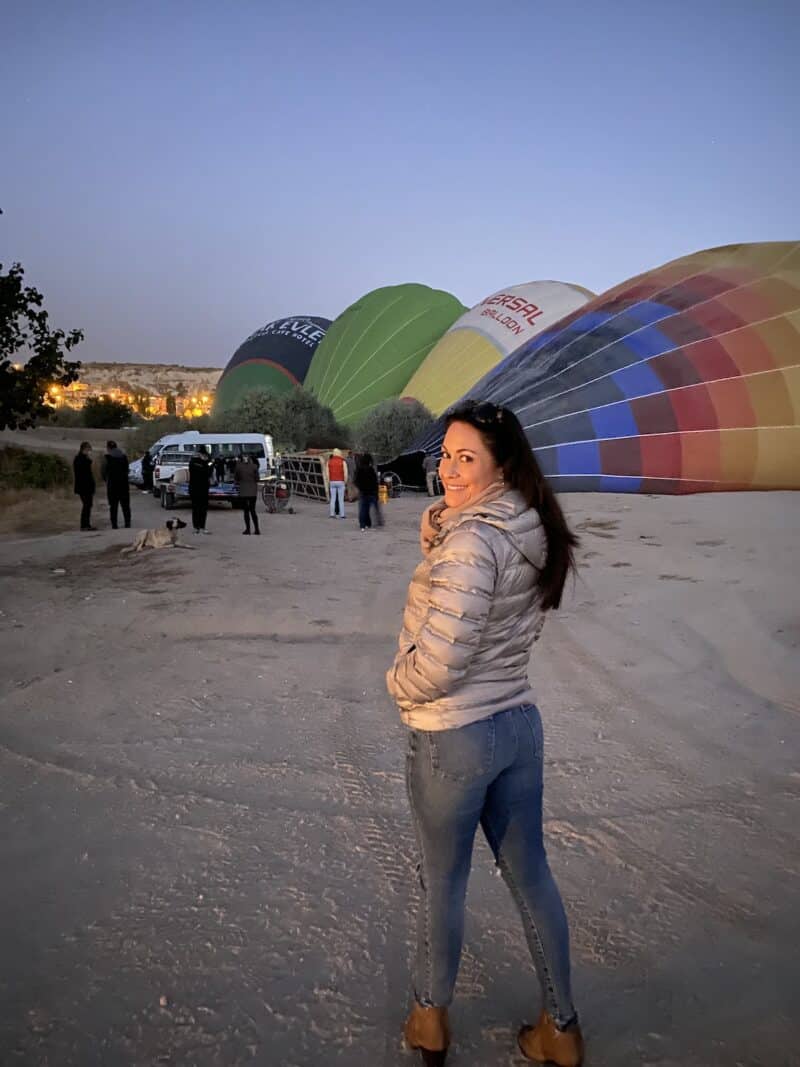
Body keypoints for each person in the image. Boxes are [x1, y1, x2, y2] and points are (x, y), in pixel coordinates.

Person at [386, 400, 583, 1067]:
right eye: (445, 453)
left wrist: (398, 684)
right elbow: (488, 606)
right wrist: (446, 528)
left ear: (502, 464)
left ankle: (429, 1019)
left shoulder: (473, 540)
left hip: (455, 736)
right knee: (532, 877)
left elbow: (442, 659)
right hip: (517, 724)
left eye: (467, 458)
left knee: (441, 882)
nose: (448, 468)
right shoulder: (527, 524)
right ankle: (561, 1026)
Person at [101, 440, 131, 529]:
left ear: (108, 448)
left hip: (112, 486)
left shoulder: (107, 458)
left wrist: (106, 480)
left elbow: (103, 471)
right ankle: (127, 523)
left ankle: (114, 525)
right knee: (125, 506)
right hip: (124, 485)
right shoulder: (124, 457)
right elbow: (127, 469)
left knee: (113, 506)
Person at [353, 453, 383, 531]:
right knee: (374, 507)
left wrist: (360, 488)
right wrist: (376, 492)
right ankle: (372, 523)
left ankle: (363, 525)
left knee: (363, 509)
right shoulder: (371, 470)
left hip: (363, 492)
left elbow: (356, 481)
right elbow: (375, 482)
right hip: (372, 492)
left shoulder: (359, 470)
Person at [188, 445, 214, 534]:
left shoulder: (207, 462)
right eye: (203, 454)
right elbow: (203, 470)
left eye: (205, 455)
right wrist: (206, 463)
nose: (204, 456)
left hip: (204, 488)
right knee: (196, 508)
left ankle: (202, 527)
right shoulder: (194, 462)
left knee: (203, 509)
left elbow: (210, 469)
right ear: (199, 454)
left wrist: (209, 461)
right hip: (195, 488)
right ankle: (196, 527)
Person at [234, 453, 260, 535]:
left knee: (246, 511)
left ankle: (248, 529)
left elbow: (236, 478)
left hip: (243, 491)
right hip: (253, 491)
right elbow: (257, 479)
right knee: (253, 510)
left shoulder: (238, 467)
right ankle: (257, 529)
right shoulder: (254, 466)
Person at [73, 441, 96, 531]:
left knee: (88, 505)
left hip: (86, 486)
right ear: (84, 449)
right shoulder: (80, 459)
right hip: (84, 486)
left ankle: (86, 524)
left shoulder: (82, 458)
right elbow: (84, 474)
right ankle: (84, 525)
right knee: (86, 505)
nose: (89, 451)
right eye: (88, 449)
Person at [327, 448, 348, 519]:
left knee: (333, 498)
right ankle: (342, 515)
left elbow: (327, 474)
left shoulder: (329, 462)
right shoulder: (343, 462)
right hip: (340, 481)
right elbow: (345, 473)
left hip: (332, 481)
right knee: (340, 499)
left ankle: (332, 514)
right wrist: (345, 481)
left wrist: (328, 481)